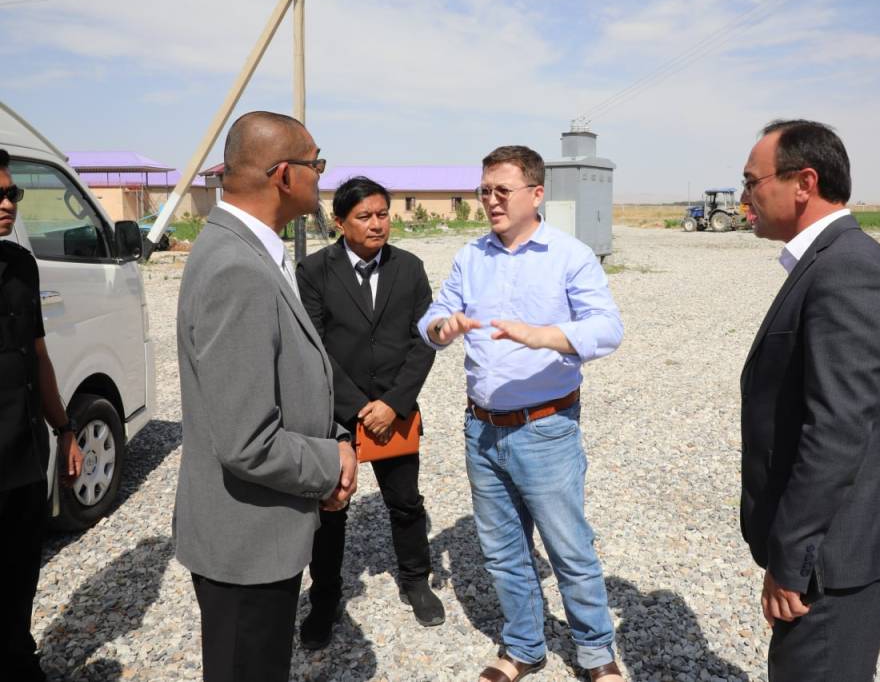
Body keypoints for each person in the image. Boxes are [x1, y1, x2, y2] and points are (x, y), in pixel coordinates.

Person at [418, 145, 625, 682]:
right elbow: (435, 315)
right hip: (481, 430)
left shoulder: (569, 255)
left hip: (546, 429)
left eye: (502, 191)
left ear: (536, 195)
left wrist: (544, 336)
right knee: (503, 552)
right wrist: (442, 327)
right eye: (485, 190)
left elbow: (608, 328)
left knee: (569, 549)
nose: (491, 200)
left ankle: (596, 654)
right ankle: (523, 648)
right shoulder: (471, 256)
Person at [173, 112, 358, 682]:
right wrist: (331, 464)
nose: (321, 175)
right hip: (245, 548)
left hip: (258, 534)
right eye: (315, 163)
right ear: (284, 175)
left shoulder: (248, 251)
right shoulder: (237, 269)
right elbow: (246, 441)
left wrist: (335, 435)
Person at [739, 120, 880, 681]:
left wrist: (792, 558)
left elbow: (838, 429)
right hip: (825, 547)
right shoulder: (829, 260)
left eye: (752, 181)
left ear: (804, 182)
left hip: (833, 553)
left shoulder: (848, 268)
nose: (745, 197)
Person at [294, 176, 442, 646]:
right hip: (338, 411)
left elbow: (424, 341)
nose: (377, 224)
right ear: (340, 222)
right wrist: (359, 409)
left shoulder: (410, 268)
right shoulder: (314, 271)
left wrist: (394, 403)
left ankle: (416, 581)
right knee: (332, 505)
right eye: (364, 216)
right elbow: (314, 347)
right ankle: (325, 598)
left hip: (395, 410)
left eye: (382, 214)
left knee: (406, 501)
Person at [0, 148, 83, 681]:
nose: (8, 203)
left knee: (19, 578)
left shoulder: (20, 265)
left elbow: (38, 354)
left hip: (24, 459)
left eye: (13, 193)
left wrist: (65, 428)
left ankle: (19, 658)